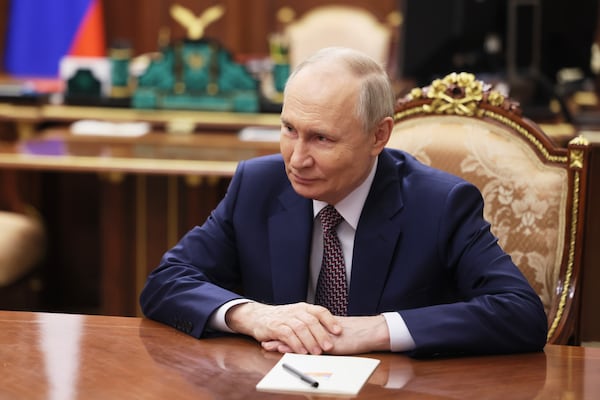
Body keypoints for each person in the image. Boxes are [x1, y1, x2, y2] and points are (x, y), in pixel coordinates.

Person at [140, 47, 548, 357]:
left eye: (322, 138)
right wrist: (254, 316)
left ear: (378, 136)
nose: (297, 159)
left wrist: (374, 330)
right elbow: (165, 283)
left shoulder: (440, 204)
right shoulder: (258, 186)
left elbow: (520, 314)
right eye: (289, 129)